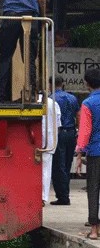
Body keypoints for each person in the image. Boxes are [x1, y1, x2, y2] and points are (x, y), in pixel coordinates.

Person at [75, 68, 100, 240]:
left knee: (93, 189)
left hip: (95, 153)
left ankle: (94, 230)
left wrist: (78, 154)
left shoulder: (88, 104)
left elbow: (85, 131)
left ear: (87, 83)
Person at [50, 75, 81, 205]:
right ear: (62, 84)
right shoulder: (72, 97)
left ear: (50, 84)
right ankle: (65, 193)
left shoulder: (51, 99)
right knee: (67, 164)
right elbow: (78, 115)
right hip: (71, 133)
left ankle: (63, 196)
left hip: (60, 133)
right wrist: (77, 130)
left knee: (58, 165)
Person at [42, 93, 61, 206]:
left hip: (35, 138)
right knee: (46, 170)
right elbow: (58, 124)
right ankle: (43, 197)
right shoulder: (53, 104)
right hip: (49, 141)